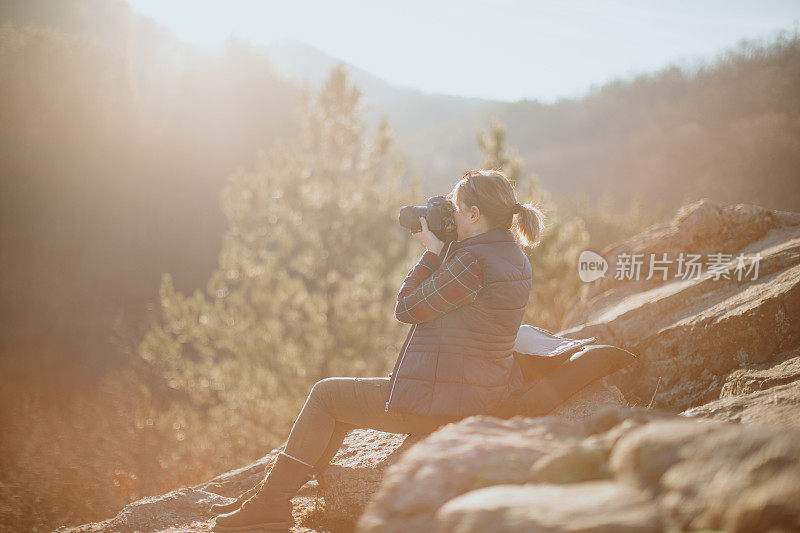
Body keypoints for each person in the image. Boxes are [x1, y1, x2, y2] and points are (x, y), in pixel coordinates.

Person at [212, 169, 546, 532]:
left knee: (326, 395)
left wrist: (432, 253)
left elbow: (407, 307)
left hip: (447, 403)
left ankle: (270, 503)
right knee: (341, 405)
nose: (450, 215)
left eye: (455, 208)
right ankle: (273, 499)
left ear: (474, 214)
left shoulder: (471, 262)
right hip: (481, 392)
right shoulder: (511, 256)